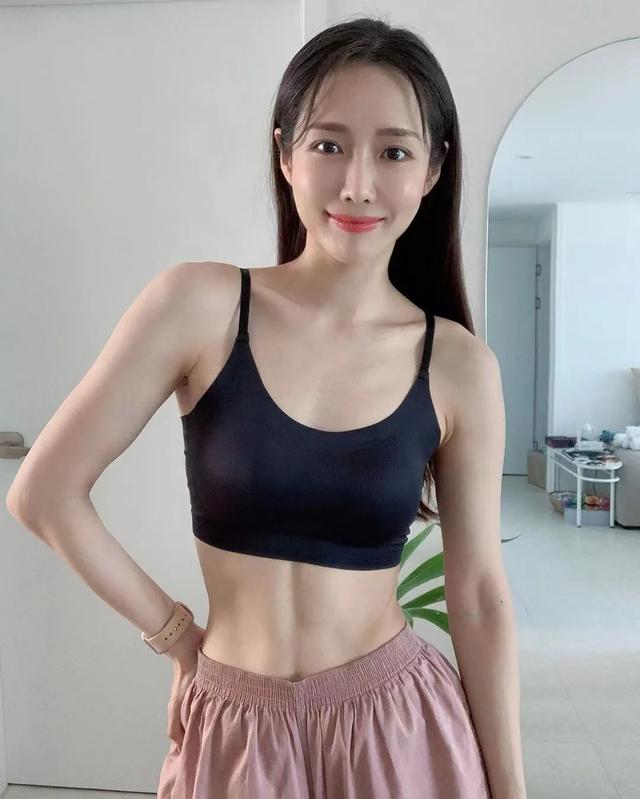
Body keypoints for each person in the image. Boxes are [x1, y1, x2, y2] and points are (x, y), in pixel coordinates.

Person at [7, 15, 526, 799]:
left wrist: (510, 788)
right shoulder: (200, 305)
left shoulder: (458, 365)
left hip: (396, 725)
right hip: (234, 727)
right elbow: (44, 492)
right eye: (328, 145)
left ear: (432, 168)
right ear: (285, 153)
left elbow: (480, 596)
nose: (357, 184)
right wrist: (176, 635)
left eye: (394, 151)